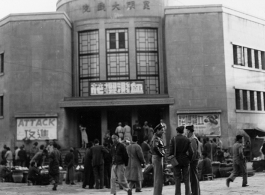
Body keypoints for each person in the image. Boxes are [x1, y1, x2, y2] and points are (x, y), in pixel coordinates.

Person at [169, 126, 193, 195]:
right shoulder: (187, 139)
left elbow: (170, 152)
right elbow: (191, 152)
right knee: (187, 178)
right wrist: (189, 159)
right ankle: (188, 193)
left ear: (177, 131)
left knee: (177, 178)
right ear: (183, 131)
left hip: (176, 161)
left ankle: (178, 193)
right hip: (185, 160)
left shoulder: (173, 139)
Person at [150, 124, 165, 195]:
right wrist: (161, 154)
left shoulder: (158, 137)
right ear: (157, 130)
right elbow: (155, 147)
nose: (163, 132)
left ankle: (158, 193)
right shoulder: (155, 138)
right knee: (158, 178)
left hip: (158, 157)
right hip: (157, 158)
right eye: (161, 130)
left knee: (159, 177)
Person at [186, 125, 200, 195]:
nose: (186, 132)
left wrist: (191, 160)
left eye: (186, 131)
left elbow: (194, 152)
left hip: (193, 161)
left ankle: (195, 193)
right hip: (194, 160)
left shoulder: (193, 139)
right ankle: (196, 192)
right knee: (194, 177)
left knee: (194, 178)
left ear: (188, 131)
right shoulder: (192, 138)